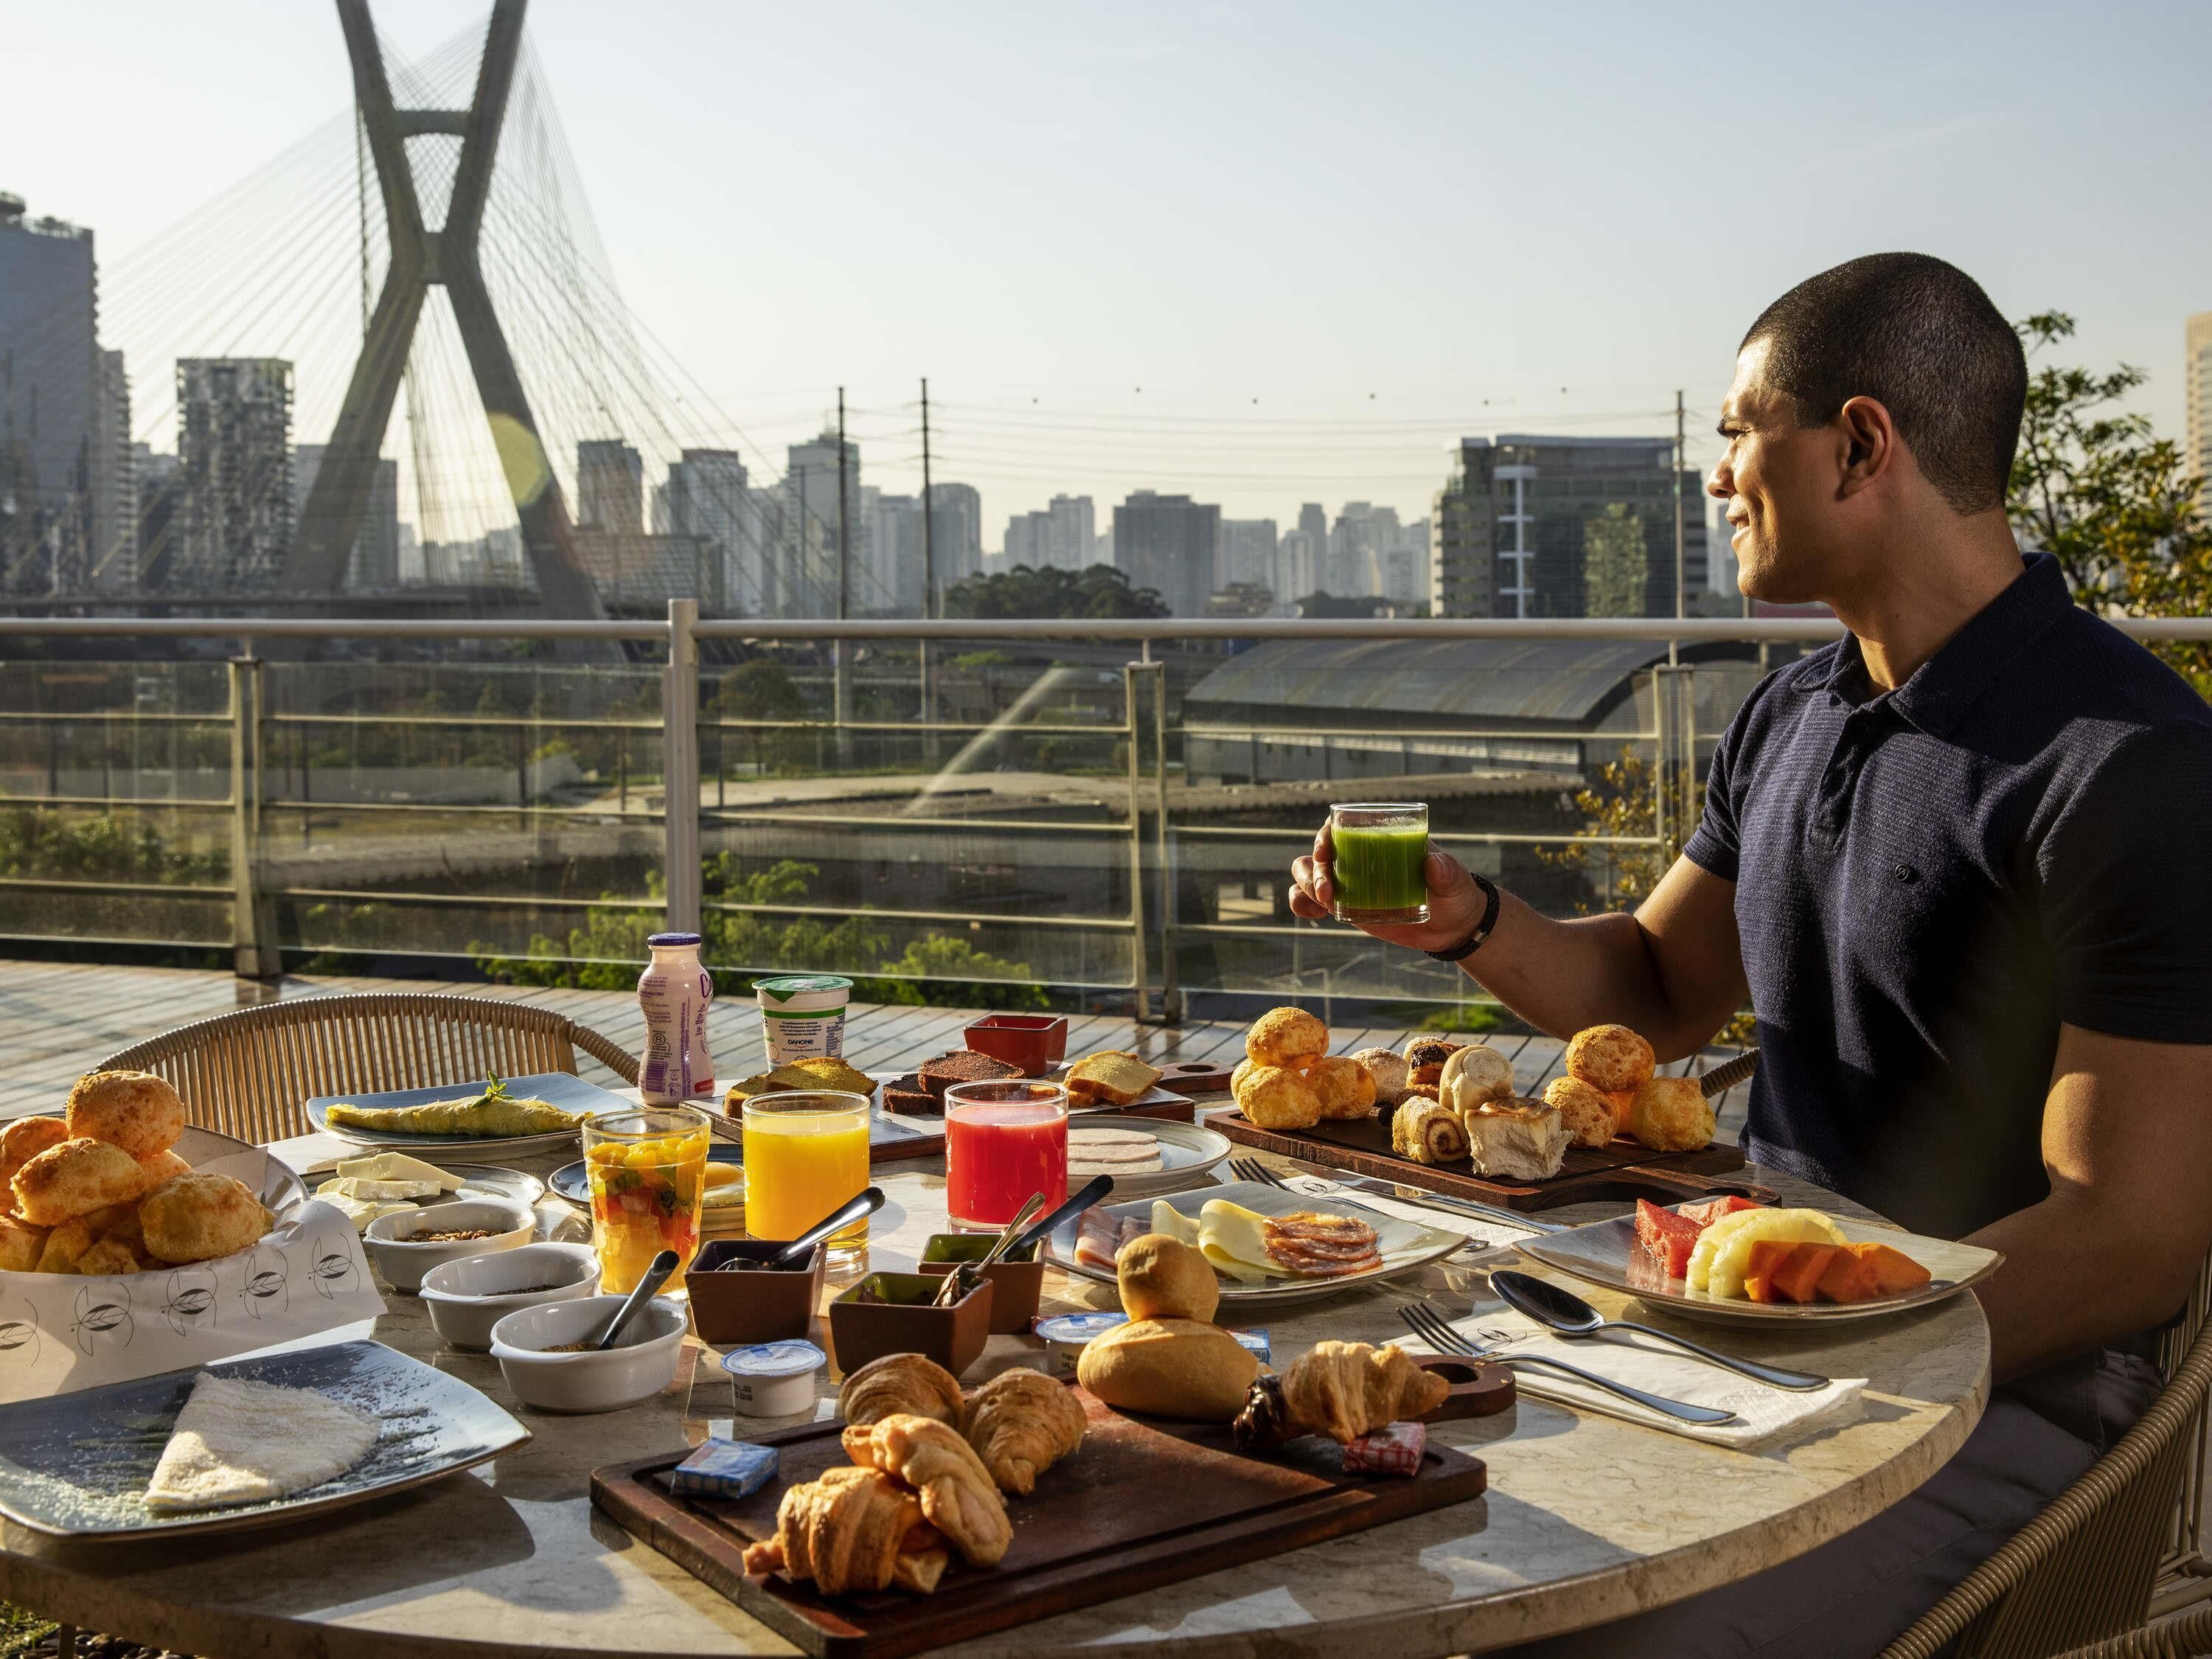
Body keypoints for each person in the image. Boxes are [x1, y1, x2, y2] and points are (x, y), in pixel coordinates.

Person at [1288, 252, 2212, 1657]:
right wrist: (1467, 917)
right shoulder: (1793, 714)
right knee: (1367, 1529)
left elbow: (2131, 1237)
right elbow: (1654, 993)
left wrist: (1806, 1340)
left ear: (1857, 446)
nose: (1716, 474)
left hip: (1996, 1390)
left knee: (1561, 1633)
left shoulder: (2128, 762)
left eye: (1736, 431)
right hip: (1733, 1338)